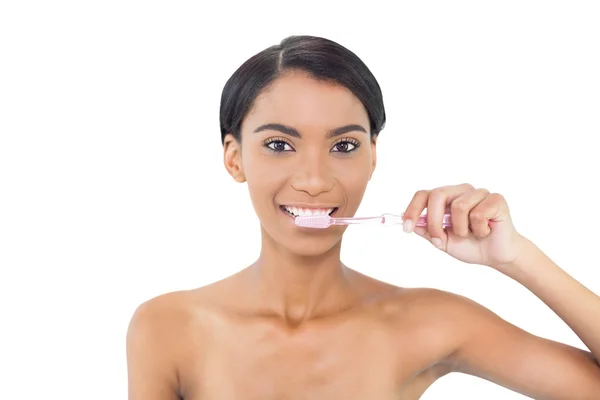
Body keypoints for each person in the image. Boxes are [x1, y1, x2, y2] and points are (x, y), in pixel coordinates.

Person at [126, 35, 600, 399]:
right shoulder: (168, 327)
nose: (314, 179)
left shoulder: (428, 322)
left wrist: (516, 256)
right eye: (279, 145)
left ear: (372, 157)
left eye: (344, 146)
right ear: (234, 159)